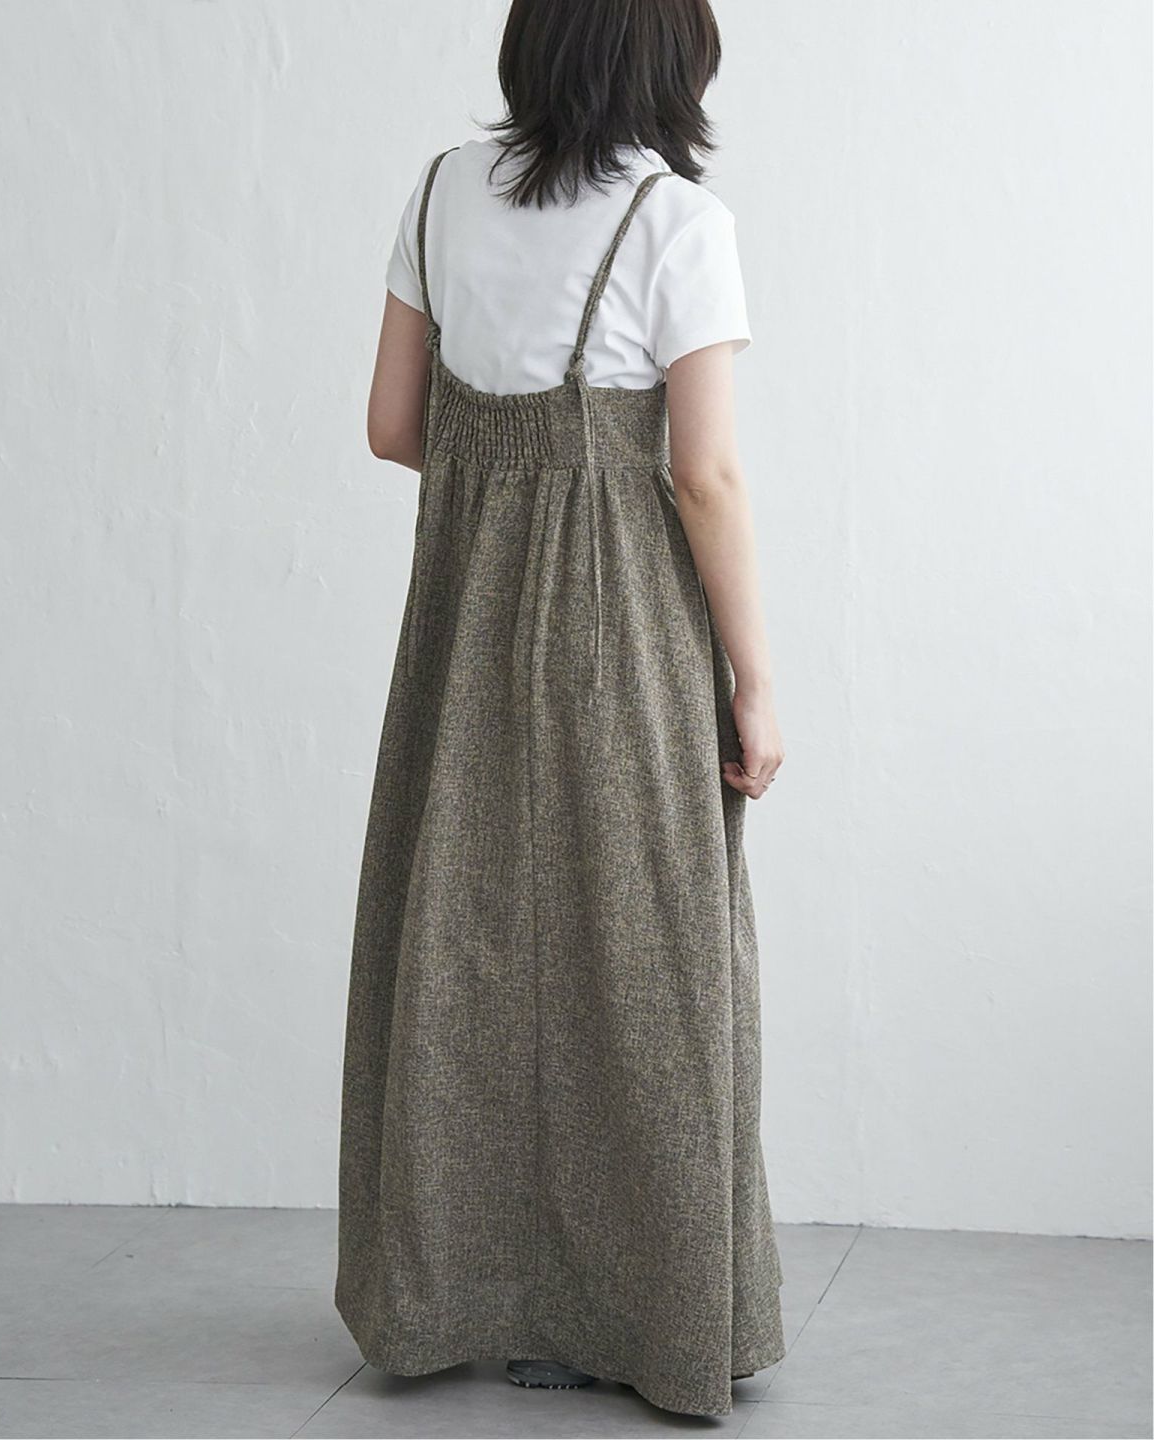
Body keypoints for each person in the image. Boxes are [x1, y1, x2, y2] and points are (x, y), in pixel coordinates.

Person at [335, 0, 786, 1419]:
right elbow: (704, 476)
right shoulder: (676, 222)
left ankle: (450, 1296)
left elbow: (393, 426)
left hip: (463, 620)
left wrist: (508, 490)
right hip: (623, 625)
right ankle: (654, 1316)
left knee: (458, 942)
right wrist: (755, 681)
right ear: (666, 57)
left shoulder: (440, 191)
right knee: (647, 952)